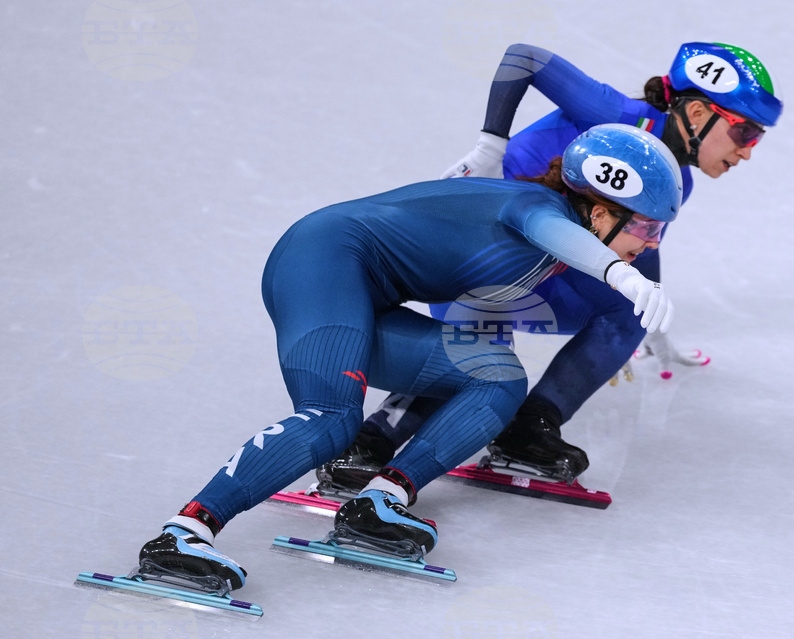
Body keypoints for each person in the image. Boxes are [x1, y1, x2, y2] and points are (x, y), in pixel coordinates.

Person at [136, 124, 683, 592]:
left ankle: (379, 500)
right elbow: (555, 232)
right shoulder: (537, 208)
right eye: (646, 227)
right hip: (322, 260)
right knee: (332, 418)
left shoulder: (545, 250)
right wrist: (620, 275)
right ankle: (183, 533)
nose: (652, 243)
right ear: (598, 208)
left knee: (496, 376)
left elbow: (481, 316)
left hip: (359, 292)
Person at [317, 42, 783, 492]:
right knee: (478, 366)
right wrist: (489, 147)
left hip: (539, 270)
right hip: (483, 261)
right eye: (747, 133)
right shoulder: (616, 115)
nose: (748, 151)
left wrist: (653, 326)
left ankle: (529, 426)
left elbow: (637, 262)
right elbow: (526, 57)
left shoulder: (676, 177)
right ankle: (374, 437)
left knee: (626, 313)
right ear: (698, 114)